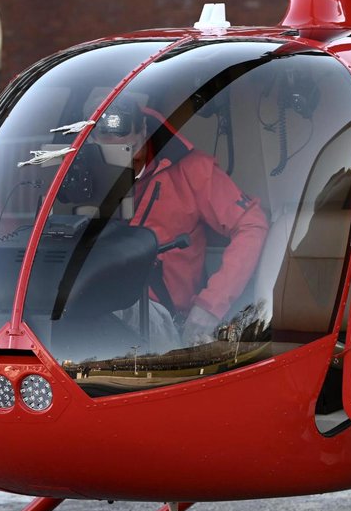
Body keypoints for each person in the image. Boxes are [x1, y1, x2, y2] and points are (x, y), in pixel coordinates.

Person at [92, 98, 269, 346]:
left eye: (127, 150)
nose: (118, 163)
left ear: (144, 132)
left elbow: (252, 224)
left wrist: (211, 305)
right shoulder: (85, 174)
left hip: (155, 314)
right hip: (91, 297)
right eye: (106, 153)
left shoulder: (193, 170)